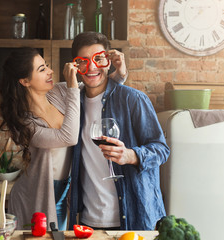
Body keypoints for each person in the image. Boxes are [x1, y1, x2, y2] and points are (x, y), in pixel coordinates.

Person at [0, 46, 127, 230]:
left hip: (63, 192)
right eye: (42, 69)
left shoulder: (58, 92)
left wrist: (120, 72)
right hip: (35, 195)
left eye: (47, 65)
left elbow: (97, 88)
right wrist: (72, 86)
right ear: (25, 81)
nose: (51, 71)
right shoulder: (25, 123)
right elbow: (68, 137)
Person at [68, 32, 170, 231]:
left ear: (108, 60)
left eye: (98, 59)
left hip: (135, 217)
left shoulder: (133, 99)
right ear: (75, 65)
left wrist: (131, 155)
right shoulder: (73, 104)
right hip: (89, 220)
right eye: (84, 61)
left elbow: (161, 149)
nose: (92, 67)